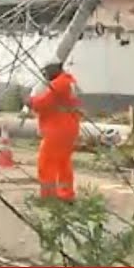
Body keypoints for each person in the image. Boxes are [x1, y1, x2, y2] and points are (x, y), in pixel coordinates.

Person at [29, 61, 81, 202]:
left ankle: (49, 197)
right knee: (63, 162)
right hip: (69, 126)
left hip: (57, 128)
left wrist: (31, 101)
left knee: (47, 163)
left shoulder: (59, 84)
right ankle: (66, 193)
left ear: (55, 69)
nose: (44, 74)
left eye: (46, 71)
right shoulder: (69, 82)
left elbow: (43, 104)